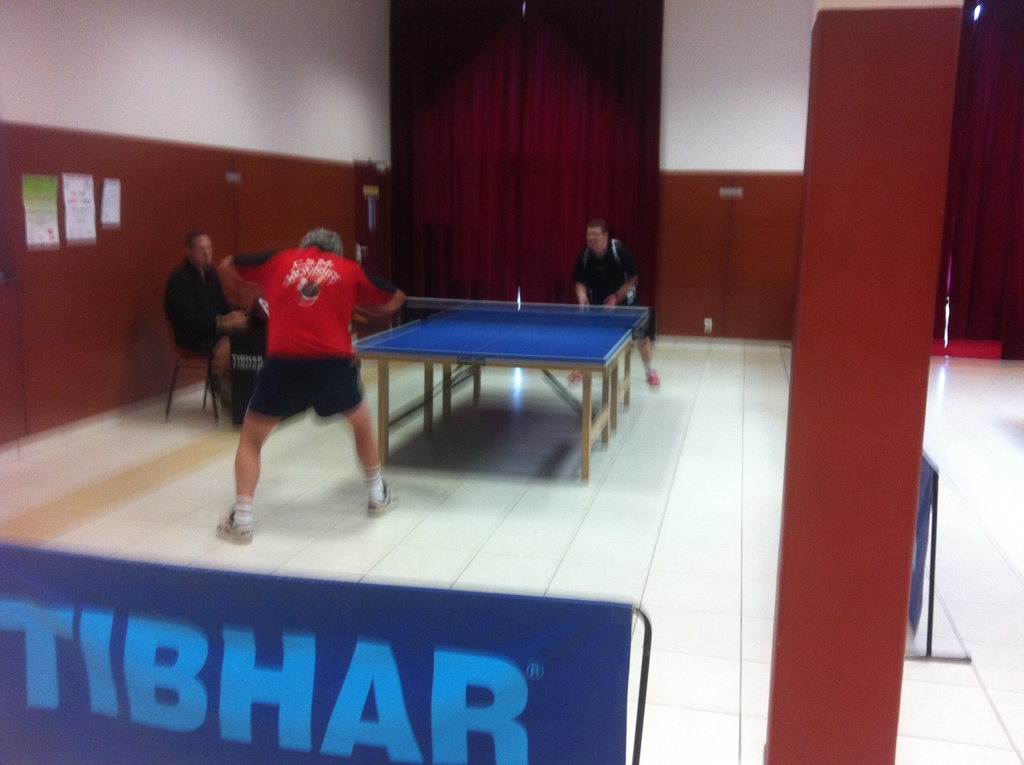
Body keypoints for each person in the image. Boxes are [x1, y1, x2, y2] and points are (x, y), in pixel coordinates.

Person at [216, 228, 406, 544]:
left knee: (251, 440)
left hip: (283, 366)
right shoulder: (348, 269)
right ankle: (377, 495)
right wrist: (360, 307)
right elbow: (395, 298)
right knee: (361, 426)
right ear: (336, 253)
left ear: (302, 247)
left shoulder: (278, 261)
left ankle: (242, 520)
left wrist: (263, 289)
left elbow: (226, 264)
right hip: (333, 366)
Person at [572, 219, 659, 387]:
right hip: (599, 299)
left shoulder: (619, 250)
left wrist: (617, 297)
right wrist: (582, 298)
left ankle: (650, 371)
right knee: (590, 335)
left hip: (625, 298)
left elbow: (634, 278)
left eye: (595, 235)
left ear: (605, 236)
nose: (591, 238)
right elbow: (579, 281)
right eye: (589, 235)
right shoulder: (585, 255)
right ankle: (583, 368)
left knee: (641, 336)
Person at [164, 231, 248, 396]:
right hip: (193, 337)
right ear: (189, 251)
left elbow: (225, 307)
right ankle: (228, 392)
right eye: (201, 248)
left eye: (209, 248)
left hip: (214, 331)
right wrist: (220, 321)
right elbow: (187, 321)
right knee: (233, 347)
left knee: (252, 336)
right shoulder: (179, 280)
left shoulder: (211, 275)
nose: (207, 252)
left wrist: (244, 313)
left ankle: (248, 393)